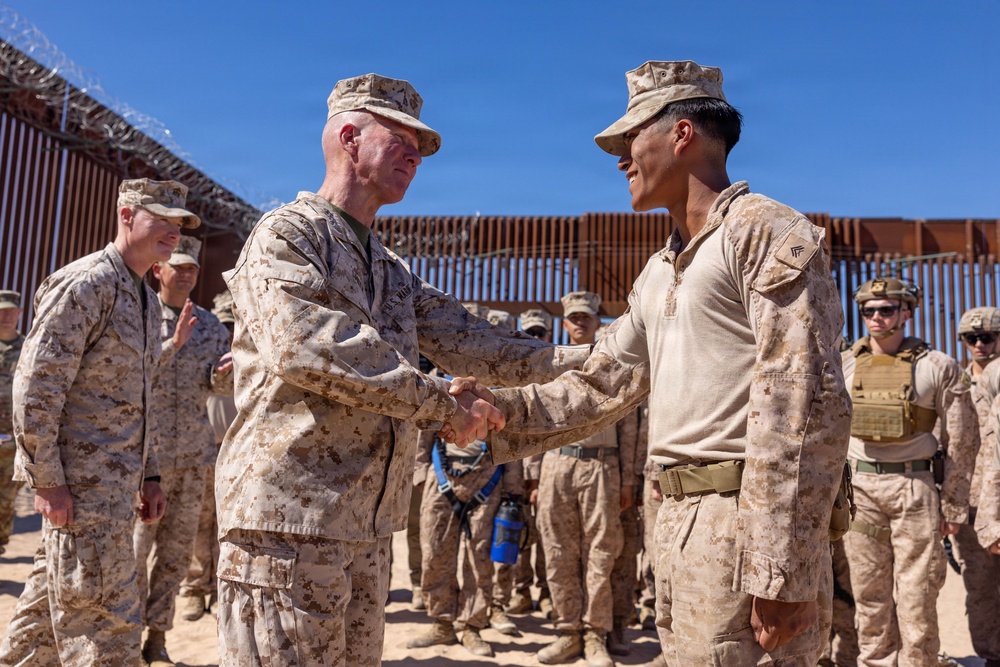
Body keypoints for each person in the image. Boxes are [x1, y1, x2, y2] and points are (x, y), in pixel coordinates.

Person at [451, 60, 851, 666]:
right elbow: (602, 384)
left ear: (682, 133)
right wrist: (498, 411)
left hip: (742, 529)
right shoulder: (659, 270)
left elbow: (805, 404)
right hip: (679, 523)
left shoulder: (764, 233)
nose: (621, 159)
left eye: (631, 138)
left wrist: (783, 572)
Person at [215, 73, 589, 667]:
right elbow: (311, 347)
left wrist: (604, 359)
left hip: (364, 529)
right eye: (400, 140)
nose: (415, 157)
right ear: (347, 136)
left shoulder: (388, 267)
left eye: (422, 148)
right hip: (289, 524)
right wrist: (445, 403)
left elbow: (476, 341)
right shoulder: (287, 236)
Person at [0, 178, 198, 666]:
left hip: (114, 491)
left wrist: (149, 474)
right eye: (162, 220)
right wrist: (48, 482)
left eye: (179, 225)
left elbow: (143, 396)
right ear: (127, 215)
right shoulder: (86, 283)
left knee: (47, 617)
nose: (173, 233)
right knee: (104, 630)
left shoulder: (144, 299)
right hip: (81, 493)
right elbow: (35, 389)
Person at [840, 278, 978, 667]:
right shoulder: (845, 364)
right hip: (861, 490)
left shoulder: (938, 366)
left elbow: (963, 440)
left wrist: (953, 505)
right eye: (869, 311)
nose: (877, 317)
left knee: (918, 594)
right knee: (869, 594)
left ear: (907, 313)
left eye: (886, 309)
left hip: (913, 487)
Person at [134, 236, 233, 666]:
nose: (188, 274)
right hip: (146, 461)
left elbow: (214, 385)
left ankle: (156, 639)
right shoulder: (138, 313)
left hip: (194, 456)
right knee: (135, 554)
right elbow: (130, 375)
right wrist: (173, 343)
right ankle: (125, 635)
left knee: (174, 557)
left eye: (193, 268)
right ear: (160, 270)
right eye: (180, 267)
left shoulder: (209, 324)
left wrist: (226, 374)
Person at [526, 291, 637, 667]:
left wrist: (627, 479)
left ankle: (595, 635)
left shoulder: (613, 360)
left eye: (586, 317)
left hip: (601, 466)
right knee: (557, 552)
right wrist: (534, 476)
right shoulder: (549, 362)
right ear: (564, 322)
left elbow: (630, 423)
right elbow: (537, 418)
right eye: (573, 317)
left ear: (596, 320)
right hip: (557, 464)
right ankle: (567, 631)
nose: (579, 323)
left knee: (600, 555)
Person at [179, 290, 238, 622]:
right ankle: (195, 589)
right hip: (204, 448)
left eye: (233, 324)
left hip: (237, 453)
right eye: (224, 324)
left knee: (228, 524)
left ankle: (220, 589)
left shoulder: (251, 353)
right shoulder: (201, 351)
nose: (228, 332)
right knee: (199, 522)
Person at [951, 307, 1000, 666]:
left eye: (988, 337)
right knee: (979, 587)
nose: (980, 344)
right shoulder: (956, 383)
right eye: (972, 338)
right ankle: (991, 655)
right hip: (970, 501)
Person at [508, 308, 554, 618]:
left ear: (549, 336)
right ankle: (519, 591)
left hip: (545, 470)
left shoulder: (557, 377)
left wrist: (536, 476)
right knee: (516, 531)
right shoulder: (507, 371)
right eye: (530, 333)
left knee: (547, 536)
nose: (535, 339)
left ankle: (546, 592)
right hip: (511, 470)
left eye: (540, 333)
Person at [0, 290, 25, 556]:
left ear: (19, 314)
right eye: (1, 311)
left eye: (10, 311)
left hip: (13, 441)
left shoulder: (30, 348)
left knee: (5, 502)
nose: (6, 316)